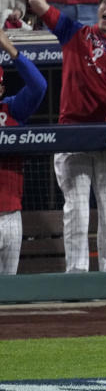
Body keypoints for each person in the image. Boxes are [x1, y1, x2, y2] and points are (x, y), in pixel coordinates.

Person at [29, 0, 106, 273]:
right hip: (71, 136)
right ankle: (77, 274)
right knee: (77, 211)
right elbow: (35, 1)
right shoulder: (75, 33)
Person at [0, 27, 47, 275]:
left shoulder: (12, 110)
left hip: (11, 215)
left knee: (10, 294)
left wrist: (11, 51)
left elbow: (39, 86)